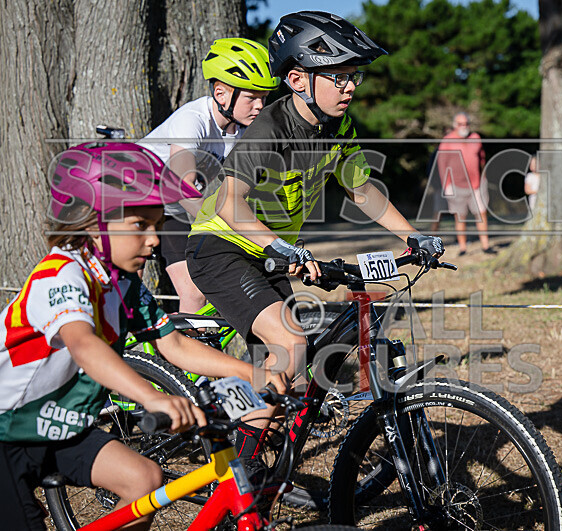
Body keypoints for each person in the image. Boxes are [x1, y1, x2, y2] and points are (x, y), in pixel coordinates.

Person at [186, 11, 444, 473]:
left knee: (285, 376)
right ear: (298, 79)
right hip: (221, 246)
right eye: (340, 76)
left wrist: (414, 236)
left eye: (354, 76)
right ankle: (236, 485)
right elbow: (229, 202)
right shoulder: (271, 126)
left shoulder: (336, 128)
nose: (350, 87)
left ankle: (248, 464)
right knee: (291, 343)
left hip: (269, 255)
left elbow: (361, 190)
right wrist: (280, 248)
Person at [0, 142, 285, 531]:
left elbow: (176, 344)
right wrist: (153, 398)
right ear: (94, 223)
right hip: (6, 431)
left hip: (54, 428)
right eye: (140, 226)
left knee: (144, 479)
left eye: (157, 226)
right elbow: (84, 345)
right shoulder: (61, 273)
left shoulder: (124, 285)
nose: (154, 240)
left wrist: (254, 373)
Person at [138, 38, 279, 314]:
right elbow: (183, 185)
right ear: (221, 94)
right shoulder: (193, 119)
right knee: (126, 285)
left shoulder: (239, 133)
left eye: (264, 97)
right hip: (130, 205)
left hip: (169, 212)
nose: (260, 105)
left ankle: (179, 357)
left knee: (194, 294)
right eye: (252, 97)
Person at [437, 112, 493, 255]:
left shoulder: (475, 138)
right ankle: (463, 248)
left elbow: (482, 159)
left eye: (466, 123)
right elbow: (442, 164)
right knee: (460, 217)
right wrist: (446, 185)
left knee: (481, 214)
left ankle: (485, 246)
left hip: (476, 185)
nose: (464, 126)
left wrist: (483, 178)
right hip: (456, 186)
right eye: (461, 124)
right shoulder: (447, 141)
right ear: (455, 125)